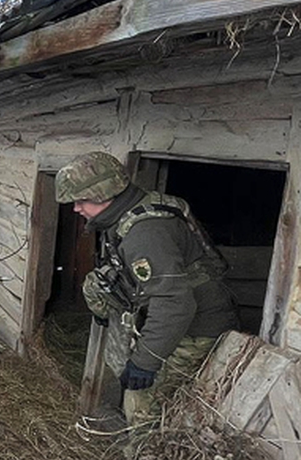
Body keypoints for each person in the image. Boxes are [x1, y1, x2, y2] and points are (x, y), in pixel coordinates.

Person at [56, 152, 238, 429]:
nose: (76, 208)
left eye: (81, 200)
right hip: (174, 313)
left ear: (103, 194)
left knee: (141, 401)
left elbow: (175, 303)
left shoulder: (145, 234)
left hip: (197, 326)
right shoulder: (125, 214)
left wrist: (145, 362)